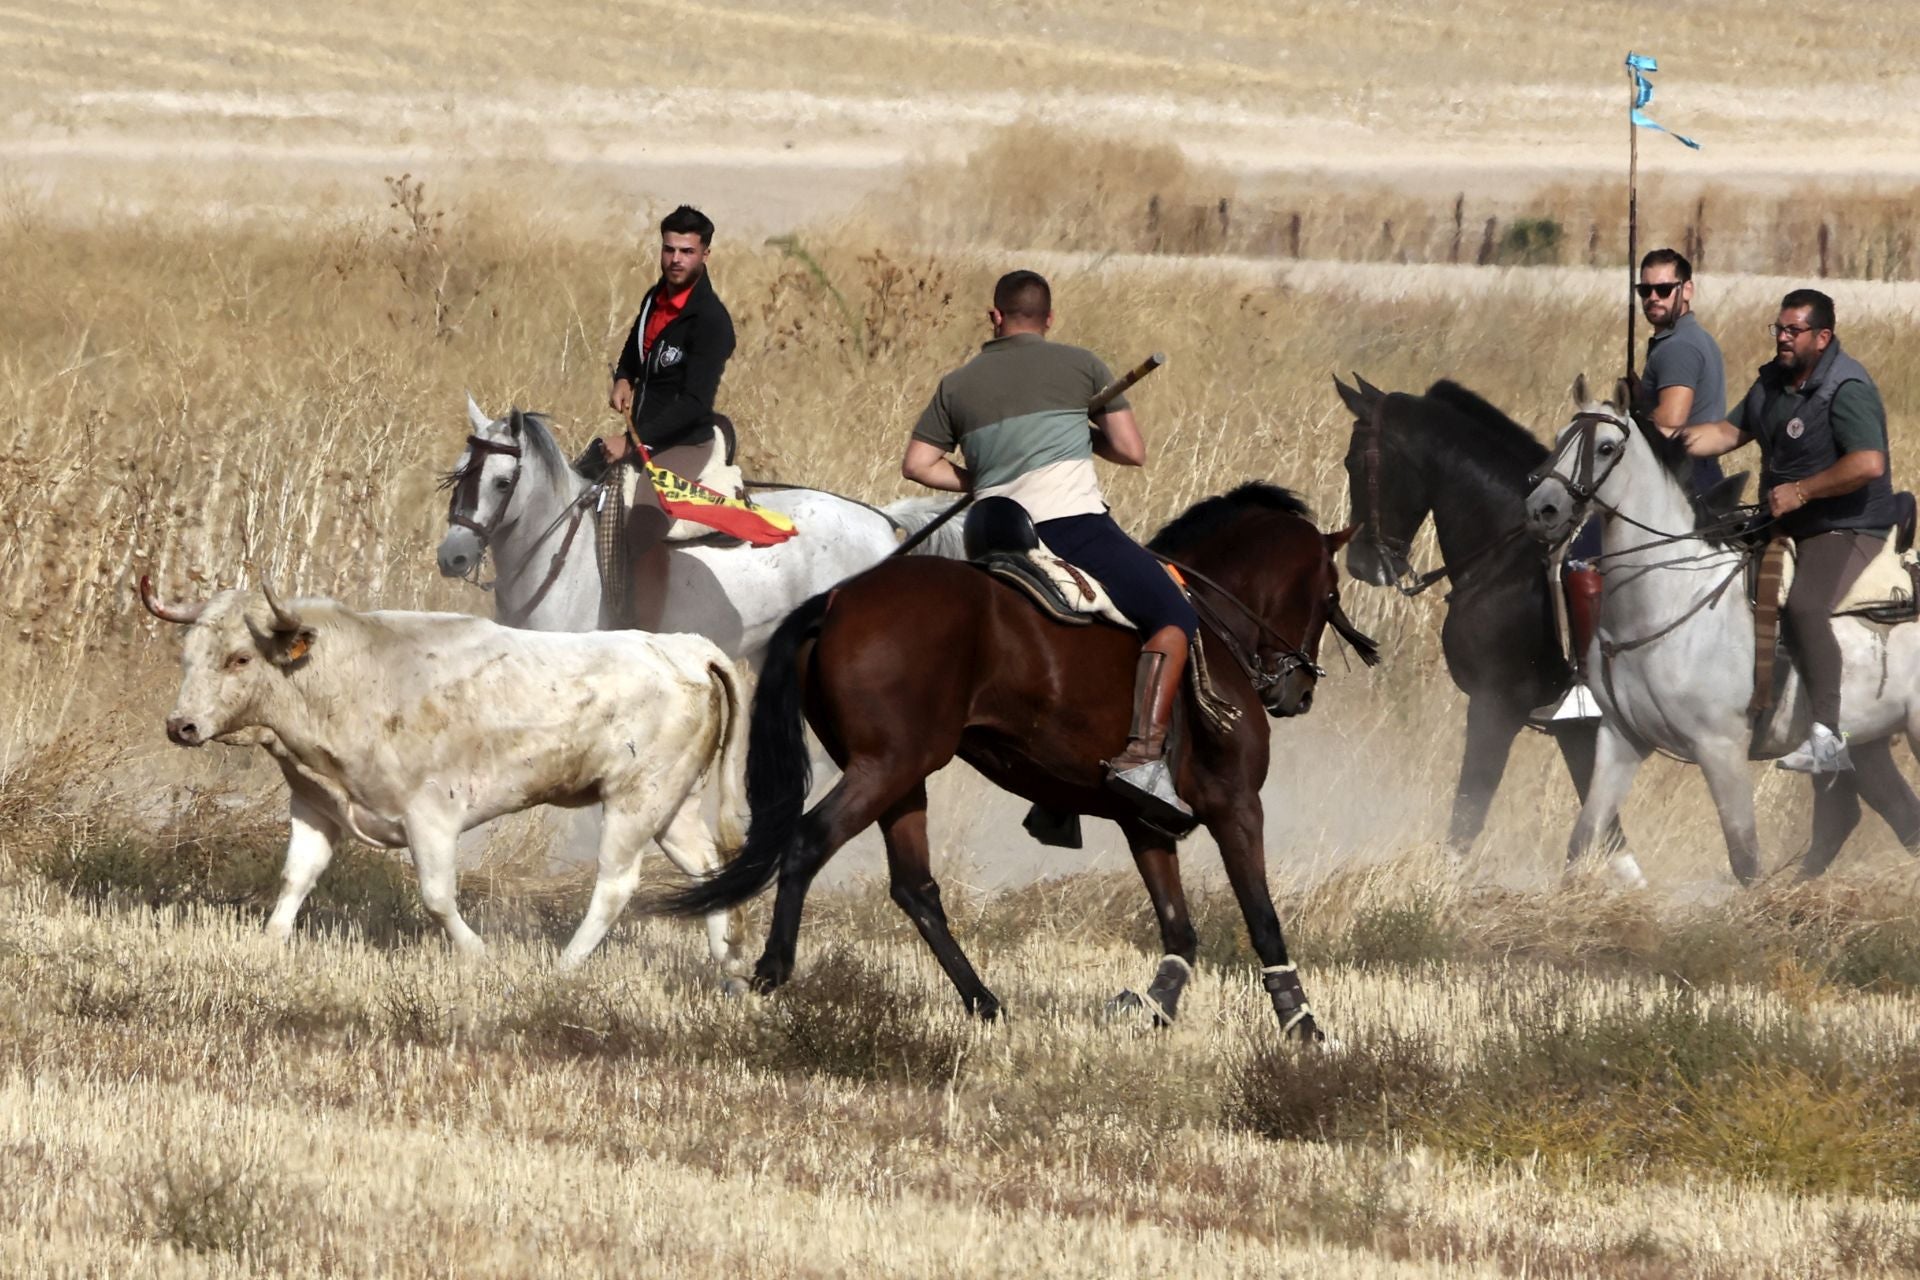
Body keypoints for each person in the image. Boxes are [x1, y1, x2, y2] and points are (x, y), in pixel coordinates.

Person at [902, 270, 1200, 829]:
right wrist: (1084, 431)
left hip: (990, 532)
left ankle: (1057, 796)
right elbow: (1132, 452)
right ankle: (1141, 759)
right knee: (1172, 615)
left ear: (995, 318)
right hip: (1071, 529)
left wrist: (983, 478)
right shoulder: (1082, 365)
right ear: (1049, 318)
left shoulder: (957, 384)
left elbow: (917, 465)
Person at [1684, 288, 1896, 773]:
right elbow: (1727, 434)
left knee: (1804, 605)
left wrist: (1802, 491)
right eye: (1778, 328)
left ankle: (1826, 735)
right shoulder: (1773, 384)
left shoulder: (1847, 388)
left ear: (1822, 337)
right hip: (1786, 520)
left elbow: (1867, 462)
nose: (1782, 337)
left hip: (1847, 524)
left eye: (1793, 330)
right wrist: (1661, 437)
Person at [1538, 248, 1729, 723]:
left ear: (1687, 290)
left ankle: (1586, 686)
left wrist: (1631, 415)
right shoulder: (1671, 340)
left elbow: (1670, 424)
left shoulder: (1680, 347)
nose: (1653, 298)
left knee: (1579, 562)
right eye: (1645, 290)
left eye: (1664, 289)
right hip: (1687, 476)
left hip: (1681, 480)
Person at [599, 204, 736, 476]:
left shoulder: (710, 320)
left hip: (683, 446)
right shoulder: (655, 297)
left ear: (705, 254)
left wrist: (630, 444)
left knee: (643, 516)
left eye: (687, 252)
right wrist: (624, 377)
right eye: (669, 249)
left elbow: (695, 404)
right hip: (644, 438)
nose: (676, 259)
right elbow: (636, 347)